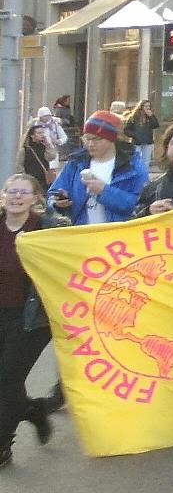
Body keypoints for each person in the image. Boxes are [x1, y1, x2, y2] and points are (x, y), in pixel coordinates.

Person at [0, 173, 66, 469]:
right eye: (11, 191)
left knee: (7, 380)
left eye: (23, 192)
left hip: (31, 319)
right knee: (7, 383)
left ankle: (3, 444)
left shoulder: (47, 228)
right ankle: (34, 410)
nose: (16, 196)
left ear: (36, 198)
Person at [47, 110, 148, 227]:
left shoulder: (134, 167)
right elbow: (52, 194)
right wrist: (57, 202)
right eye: (87, 138)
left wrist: (104, 191)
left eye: (97, 139)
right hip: (82, 235)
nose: (90, 144)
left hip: (117, 237)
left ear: (112, 139)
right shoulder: (75, 163)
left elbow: (141, 206)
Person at [123, 100, 159, 168]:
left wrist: (152, 116)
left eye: (149, 106)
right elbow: (126, 130)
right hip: (137, 142)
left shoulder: (150, 117)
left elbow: (156, 125)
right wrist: (135, 135)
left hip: (147, 141)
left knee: (146, 161)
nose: (148, 108)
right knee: (137, 159)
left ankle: (145, 176)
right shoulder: (134, 117)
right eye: (146, 106)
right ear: (141, 107)